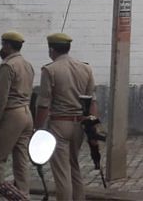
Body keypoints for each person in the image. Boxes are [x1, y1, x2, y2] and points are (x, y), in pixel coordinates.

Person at [34, 33, 98, 201]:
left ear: (51, 49)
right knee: (74, 167)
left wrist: (37, 128)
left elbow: (44, 104)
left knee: (62, 172)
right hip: (80, 124)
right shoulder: (86, 68)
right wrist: (92, 127)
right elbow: (92, 101)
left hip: (59, 123)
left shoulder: (50, 70)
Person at [0, 32, 34, 200]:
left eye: (3, 44)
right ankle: (24, 195)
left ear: (8, 45)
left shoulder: (7, 65)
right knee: (21, 158)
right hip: (26, 112)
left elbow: (2, 98)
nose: (1, 48)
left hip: (12, 114)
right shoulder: (27, 64)